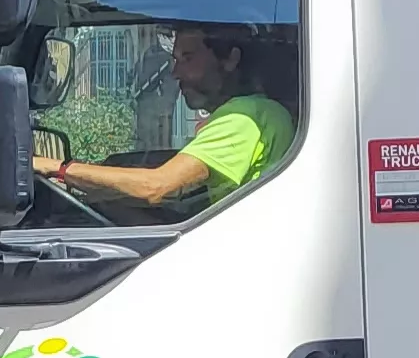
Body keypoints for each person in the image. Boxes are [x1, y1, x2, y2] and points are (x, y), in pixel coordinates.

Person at [34, 24, 299, 215]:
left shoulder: (245, 117)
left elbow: (156, 186)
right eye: (175, 59)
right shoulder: (261, 112)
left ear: (230, 59)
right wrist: (96, 187)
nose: (175, 72)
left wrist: (59, 168)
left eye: (188, 58)